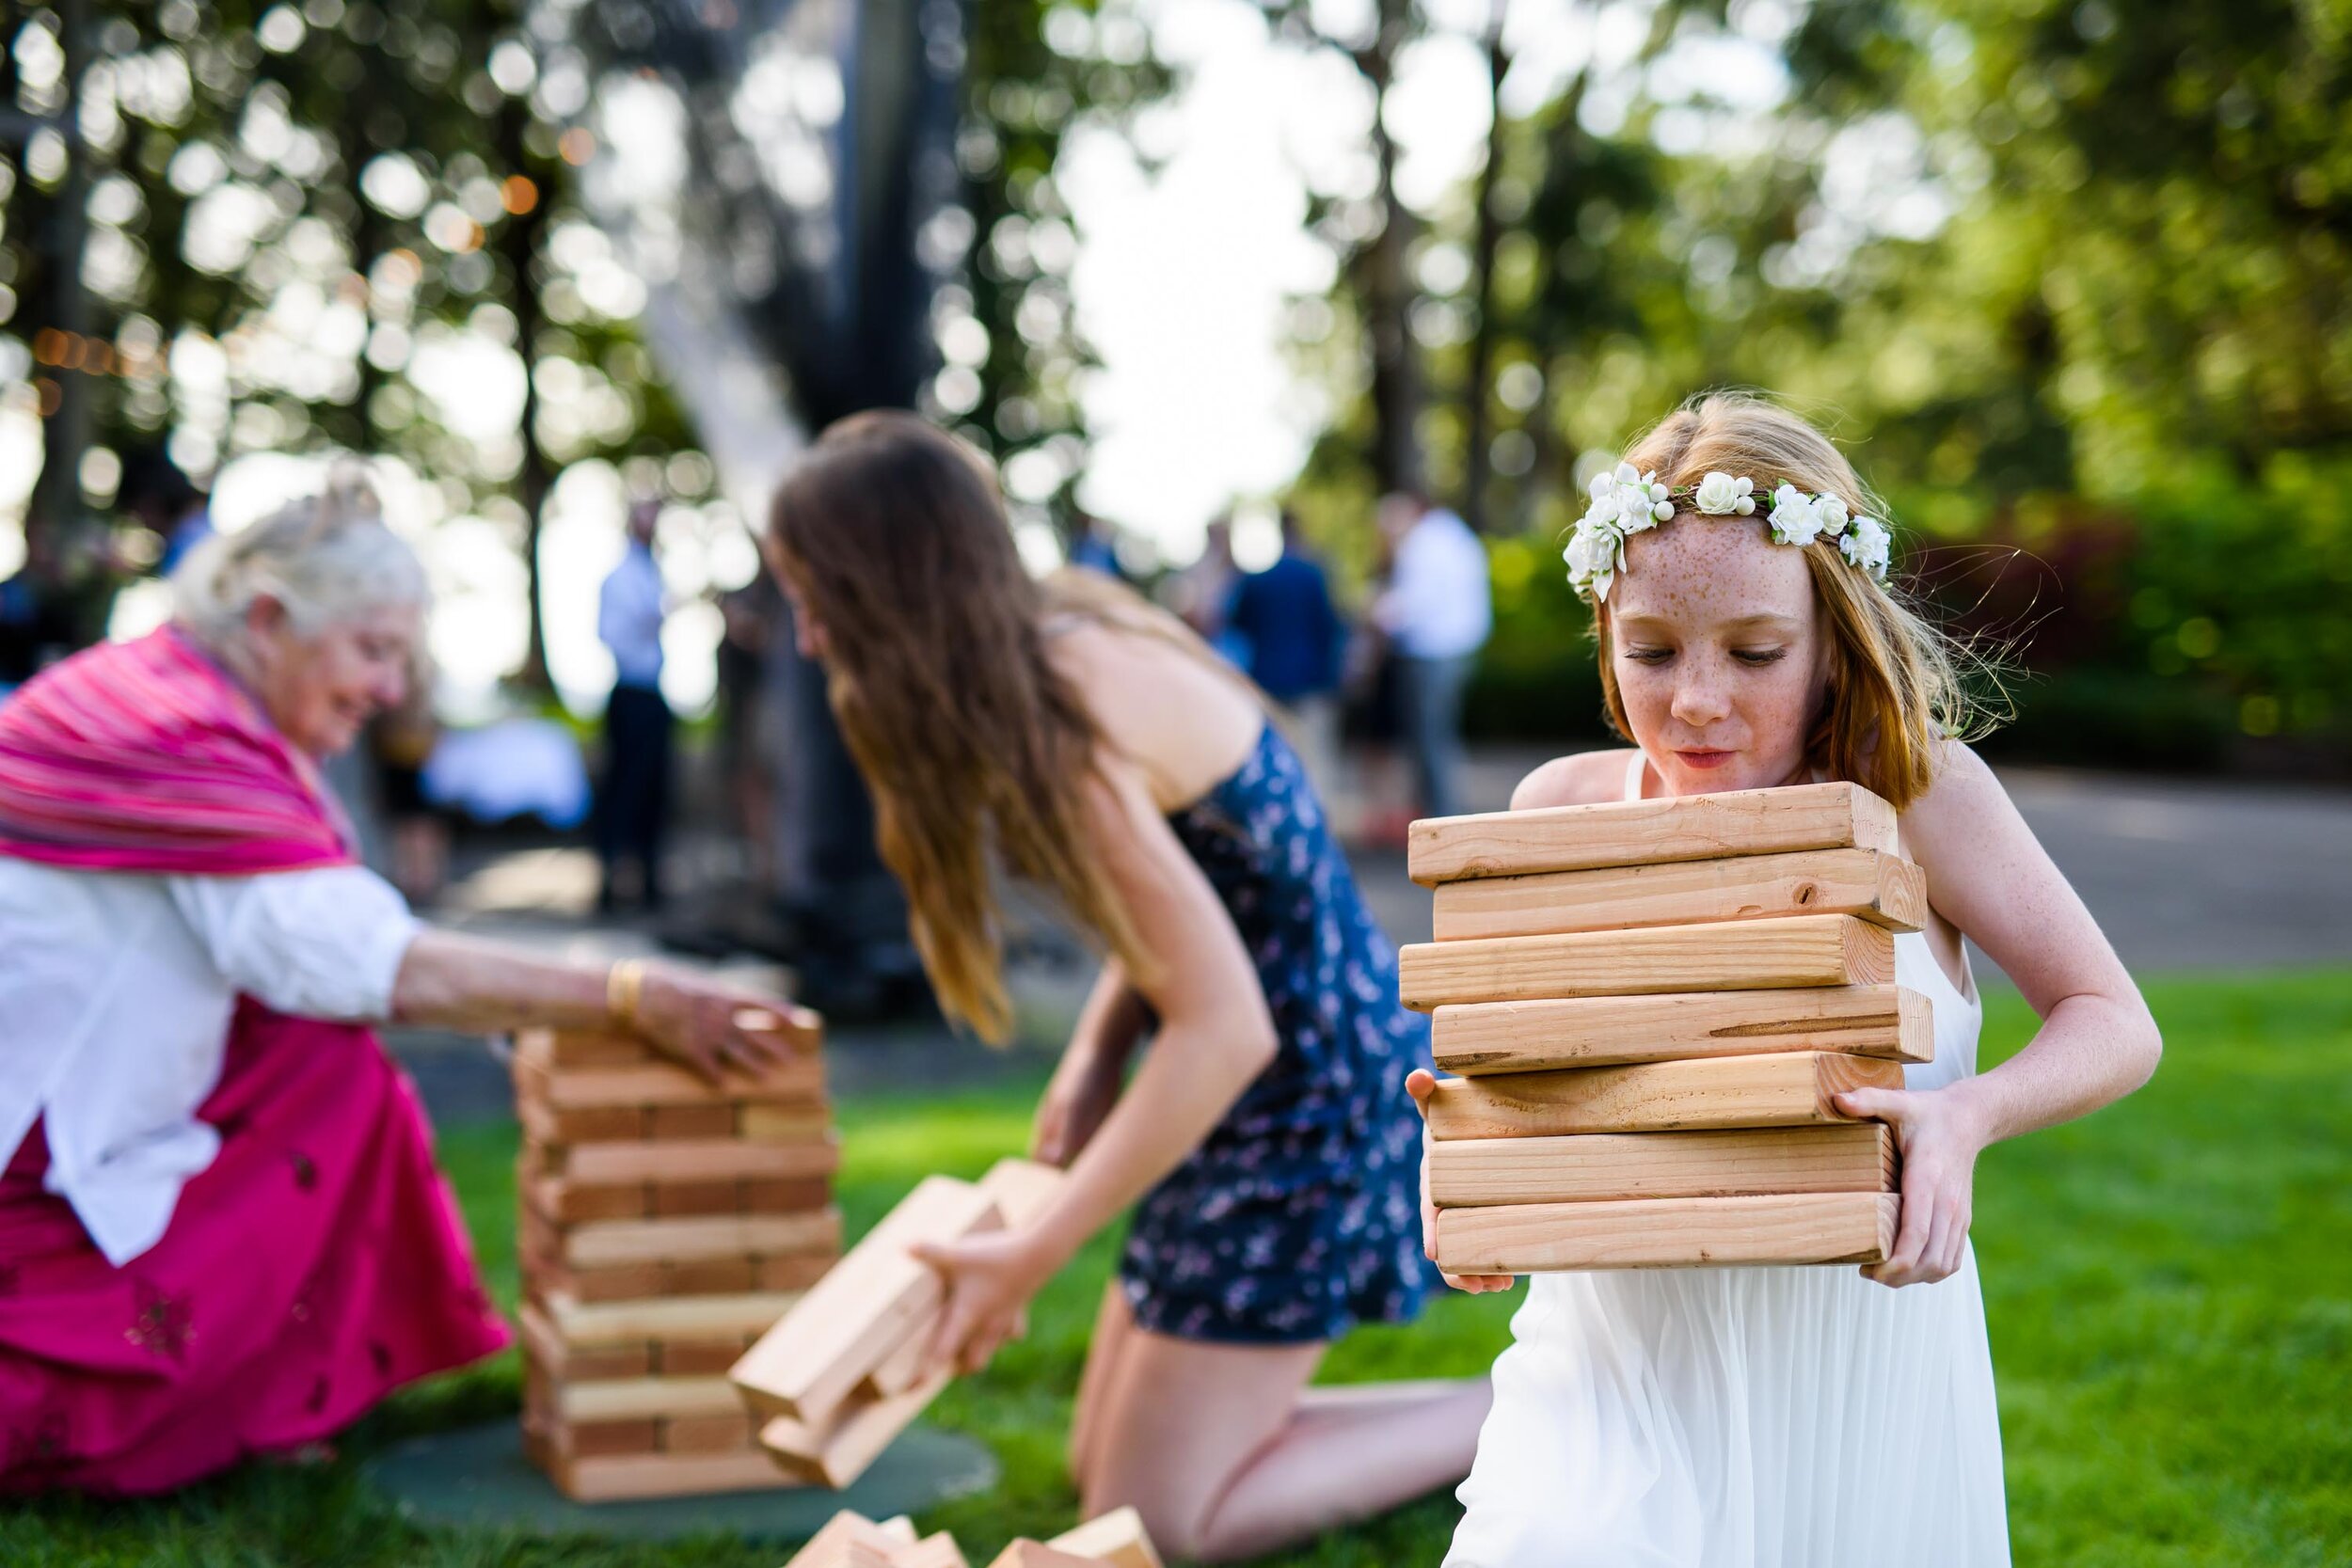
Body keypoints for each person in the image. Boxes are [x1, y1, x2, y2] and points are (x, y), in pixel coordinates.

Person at [1428, 394, 2162, 1567]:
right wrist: (1480, 1156)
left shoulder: (1922, 798)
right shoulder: (1557, 811)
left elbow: (2114, 1020)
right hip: (1612, 1362)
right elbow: (1526, 1061)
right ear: (1605, 635)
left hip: (1847, 1367)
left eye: (1754, 652)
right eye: (1652, 650)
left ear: (1832, 636)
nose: (1697, 700)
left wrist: (1963, 1116)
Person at [762, 412, 1489, 1562]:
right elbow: (1193, 892)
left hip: (1301, 1105)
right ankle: (1488, 1405)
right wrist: (1099, 1047)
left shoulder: (1060, 710)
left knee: (1157, 1524)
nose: (805, 636)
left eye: (817, 596)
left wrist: (1037, 1246)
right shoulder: (1058, 632)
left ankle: (1535, 1412)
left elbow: (1224, 1028)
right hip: (1270, 1081)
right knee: (1102, 1480)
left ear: (887, 586)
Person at [0, 471, 812, 1495]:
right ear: (266, 622)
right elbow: (376, 965)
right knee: (329, 1065)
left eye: (401, 655)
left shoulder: (154, 690)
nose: (391, 689)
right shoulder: (177, 737)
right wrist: (629, 993)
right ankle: (199, 1400)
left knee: (325, 1060)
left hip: (77, 1096)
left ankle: (280, 1388)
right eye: (372, 650)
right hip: (36, 1156)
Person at [1373, 490, 1491, 821]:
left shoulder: (1423, 544)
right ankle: (1439, 811)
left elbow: (1412, 604)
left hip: (1432, 653)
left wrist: (1375, 614)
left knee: (1430, 740)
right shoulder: (1457, 536)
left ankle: (1440, 816)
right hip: (1459, 650)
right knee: (1439, 736)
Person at [1224, 509, 1347, 793]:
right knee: (1315, 759)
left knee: (1274, 759)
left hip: (1267, 678)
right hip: (1311, 680)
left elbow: (1238, 623)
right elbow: (1330, 626)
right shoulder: (1314, 576)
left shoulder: (1258, 579)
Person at [595, 497, 675, 911]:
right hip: (630, 694)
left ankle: (647, 878)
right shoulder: (620, 578)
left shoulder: (652, 572)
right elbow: (611, 635)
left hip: (653, 694)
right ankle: (612, 878)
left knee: (654, 789)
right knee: (623, 787)